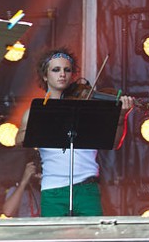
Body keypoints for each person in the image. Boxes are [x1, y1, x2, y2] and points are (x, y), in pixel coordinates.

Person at [14, 47, 134, 217]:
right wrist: (45, 120)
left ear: (72, 75)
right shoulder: (35, 111)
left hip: (87, 187)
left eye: (67, 70)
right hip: (53, 189)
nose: (62, 74)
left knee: (92, 240)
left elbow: (114, 143)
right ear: (45, 75)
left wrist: (121, 117)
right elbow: (18, 140)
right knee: (54, 241)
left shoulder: (89, 107)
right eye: (56, 70)